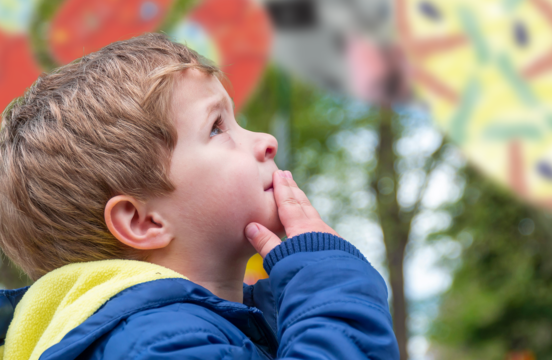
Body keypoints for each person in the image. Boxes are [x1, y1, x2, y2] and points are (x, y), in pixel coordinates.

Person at [0, 33, 399, 359]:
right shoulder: (151, 343)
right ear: (144, 222)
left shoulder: (232, 324)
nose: (267, 141)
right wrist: (329, 284)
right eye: (216, 128)